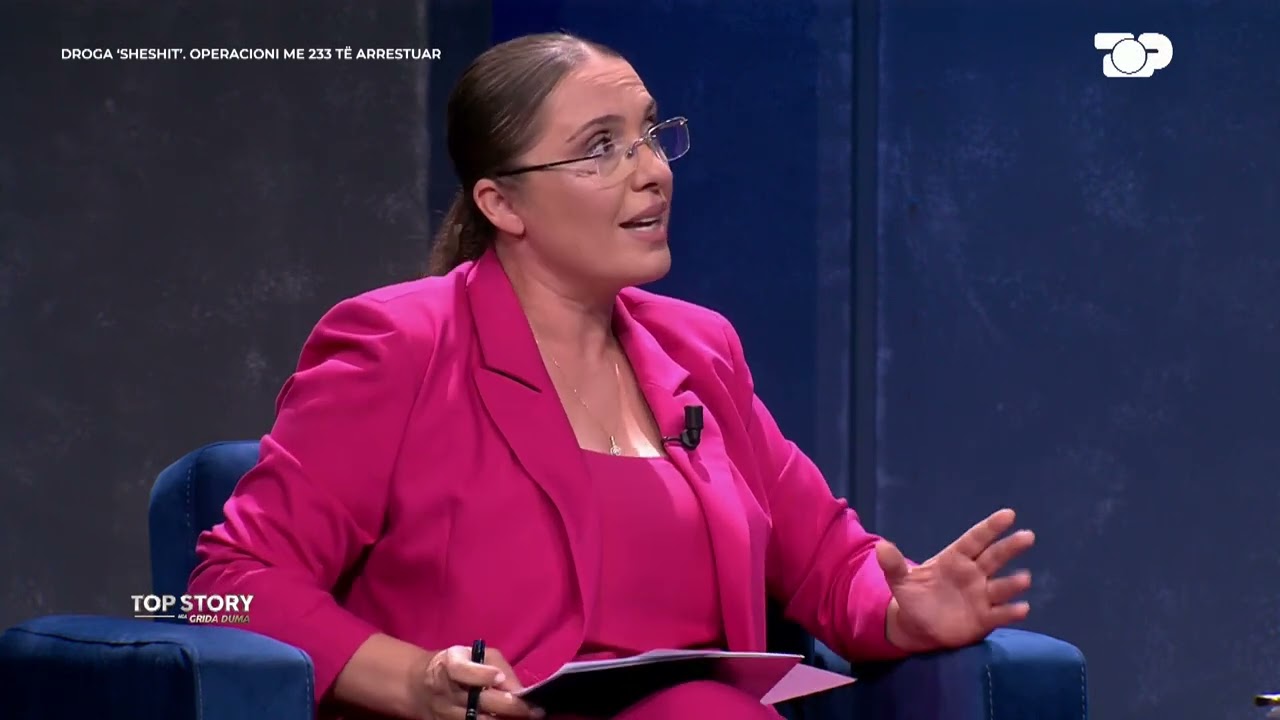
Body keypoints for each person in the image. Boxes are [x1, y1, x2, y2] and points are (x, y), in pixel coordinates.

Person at [188, 31, 1035, 720]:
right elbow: (234, 585)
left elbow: (825, 560)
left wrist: (899, 612)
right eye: (600, 150)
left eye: (651, 135)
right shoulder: (398, 344)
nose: (653, 170)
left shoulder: (699, 349)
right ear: (501, 204)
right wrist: (414, 681)